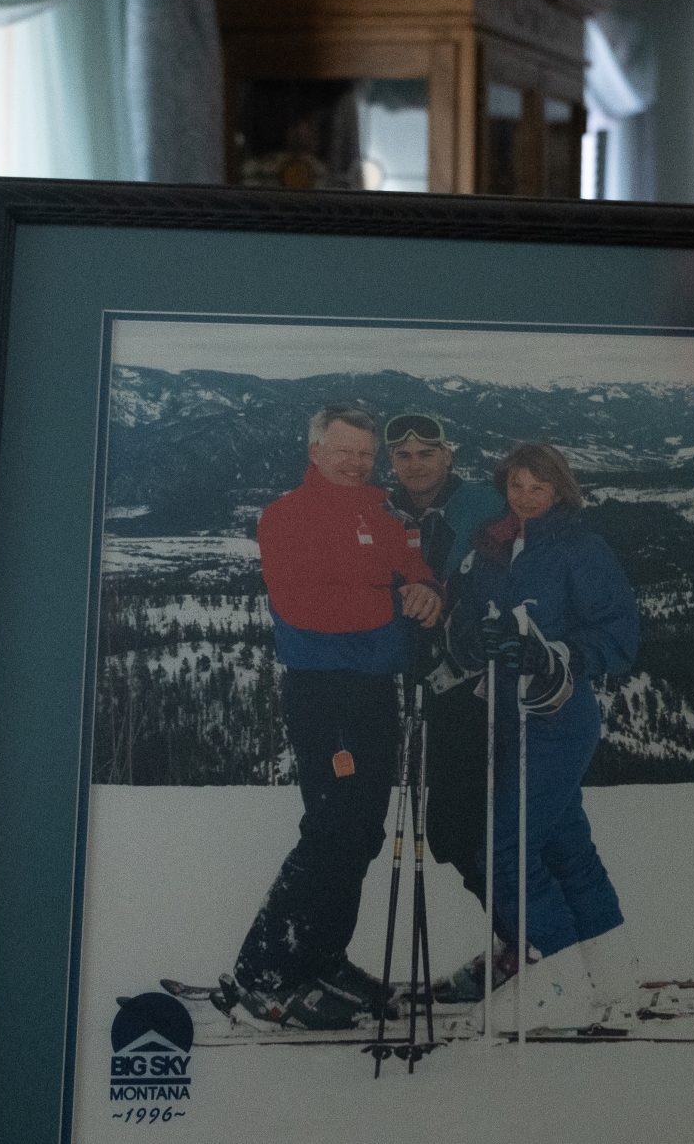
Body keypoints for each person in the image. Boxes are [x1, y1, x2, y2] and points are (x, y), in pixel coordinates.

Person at [229, 405, 443, 1029]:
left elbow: (412, 564)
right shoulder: (287, 515)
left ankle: (321, 955)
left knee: (361, 829)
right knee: (333, 826)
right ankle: (266, 971)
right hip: (324, 694)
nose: (355, 462)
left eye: (364, 453)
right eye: (343, 450)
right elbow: (304, 604)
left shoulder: (382, 511)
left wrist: (425, 587)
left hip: (375, 692)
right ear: (315, 448)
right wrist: (394, 603)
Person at [443, 441, 642, 1030]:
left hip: (559, 718)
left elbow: (620, 633)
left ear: (559, 490)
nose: (526, 498)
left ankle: (558, 981)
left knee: (503, 849)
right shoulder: (490, 548)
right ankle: (611, 974)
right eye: (516, 486)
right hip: (506, 716)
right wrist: (473, 641)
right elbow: (470, 629)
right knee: (564, 847)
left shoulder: (580, 547)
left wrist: (561, 655)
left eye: (539, 487)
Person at [379, 412, 509, 918]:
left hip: (482, 683)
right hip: (423, 683)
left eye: (426, 454)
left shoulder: (484, 507)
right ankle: (519, 937)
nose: (415, 465)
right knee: (455, 825)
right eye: (404, 456)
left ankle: (532, 937)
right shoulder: (386, 514)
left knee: (467, 823)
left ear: (447, 456)